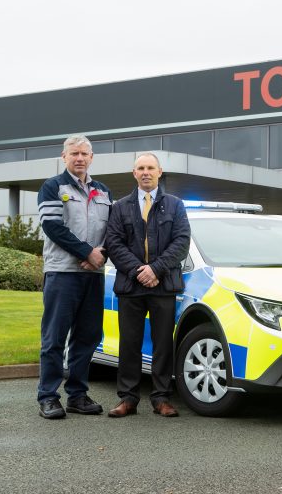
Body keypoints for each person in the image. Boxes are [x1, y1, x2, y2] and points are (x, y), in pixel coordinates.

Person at [105, 152, 190, 418]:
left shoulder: (176, 205)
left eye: (150, 168)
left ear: (159, 172)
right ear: (134, 173)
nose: (145, 172)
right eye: (140, 168)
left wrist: (156, 269)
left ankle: (161, 398)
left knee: (163, 343)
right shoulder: (120, 207)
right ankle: (128, 399)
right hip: (131, 285)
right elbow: (114, 243)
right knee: (129, 342)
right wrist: (137, 271)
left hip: (163, 284)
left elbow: (181, 242)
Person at [36, 135, 112, 419]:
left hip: (93, 275)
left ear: (91, 157)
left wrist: (99, 255)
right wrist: (86, 252)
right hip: (62, 273)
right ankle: (48, 396)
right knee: (54, 337)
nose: (79, 158)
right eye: (74, 153)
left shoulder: (103, 190)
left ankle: (77, 395)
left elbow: (111, 232)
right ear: (64, 156)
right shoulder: (52, 187)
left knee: (87, 336)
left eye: (84, 153)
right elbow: (54, 227)